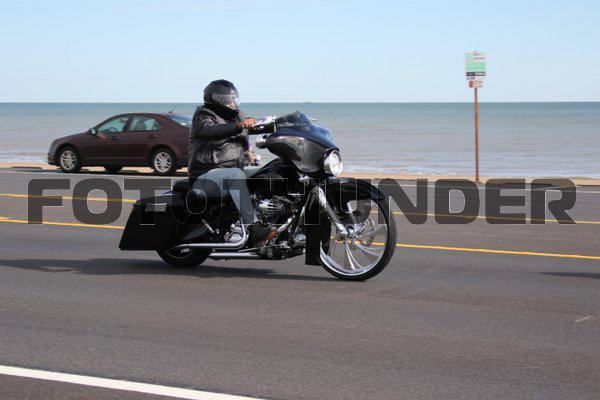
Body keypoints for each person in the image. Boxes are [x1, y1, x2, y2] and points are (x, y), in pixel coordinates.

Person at [188, 79, 273, 246]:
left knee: (269, 172)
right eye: (229, 99)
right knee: (235, 175)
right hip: (205, 175)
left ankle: (273, 218)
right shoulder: (203, 115)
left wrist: (276, 125)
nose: (233, 103)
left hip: (233, 169)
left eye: (234, 99)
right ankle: (254, 228)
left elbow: (252, 127)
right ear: (218, 99)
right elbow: (209, 129)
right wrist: (240, 126)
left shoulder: (237, 115)